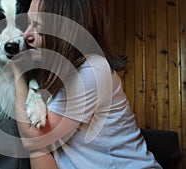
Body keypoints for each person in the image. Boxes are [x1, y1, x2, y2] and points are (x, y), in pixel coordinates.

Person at [10, 0, 162, 168]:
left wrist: (17, 70)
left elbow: (33, 141)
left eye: (38, 26)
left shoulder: (91, 71)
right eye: (29, 23)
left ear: (63, 29)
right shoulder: (59, 74)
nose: (26, 35)